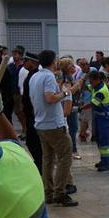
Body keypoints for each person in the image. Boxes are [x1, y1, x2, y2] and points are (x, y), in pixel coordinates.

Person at [29, 49, 77, 207]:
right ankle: (60, 192)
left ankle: (48, 192)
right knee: (65, 157)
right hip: (54, 124)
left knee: (48, 159)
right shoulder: (48, 76)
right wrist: (64, 93)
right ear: (52, 61)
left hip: (41, 123)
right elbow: (49, 98)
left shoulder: (35, 76)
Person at [85, 71, 109, 172]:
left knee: (104, 140)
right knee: (99, 139)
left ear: (97, 80)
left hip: (104, 119)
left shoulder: (101, 90)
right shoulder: (96, 86)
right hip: (98, 117)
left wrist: (81, 108)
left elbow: (93, 104)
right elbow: (87, 87)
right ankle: (103, 159)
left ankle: (106, 163)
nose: (90, 83)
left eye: (91, 81)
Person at [21, 52, 43, 172]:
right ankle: (40, 163)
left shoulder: (35, 75)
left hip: (34, 114)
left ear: (33, 62)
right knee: (31, 141)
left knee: (33, 141)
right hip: (30, 113)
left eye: (26, 60)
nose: (24, 62)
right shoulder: (31, 75)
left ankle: (40, 164)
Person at [9, 45, 27, 136]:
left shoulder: (24, 66)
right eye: (13, 54)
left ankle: (25, 129)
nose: (14, 56)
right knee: (15, 111)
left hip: (21, 92)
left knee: (20, 111)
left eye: (16, 54)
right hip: (12, 91)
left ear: (21, 55)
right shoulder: (10, 66)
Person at [76, 57, 92, 142]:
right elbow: (79, 88)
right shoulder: (79, 75)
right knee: (84, 118)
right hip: (86, 98)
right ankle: (82, 135)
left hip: (95, 97)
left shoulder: (93, 70)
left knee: (92, 118)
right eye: (83, 65)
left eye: (86, 64)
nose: (85, 66)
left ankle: (88, 133)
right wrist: (84, 79)